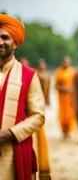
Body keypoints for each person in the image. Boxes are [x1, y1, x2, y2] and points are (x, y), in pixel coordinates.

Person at [0, 14, 46, 179]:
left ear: (15, 42)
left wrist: (9, 133)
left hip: (14, 150)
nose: (0, 42)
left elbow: (38, 116)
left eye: (5, 37)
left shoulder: (28, 75)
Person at [55, 56, 76, 139]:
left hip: (71, 97)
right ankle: (64, 131)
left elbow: (76, 84)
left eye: (68, 62)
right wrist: (64, 89)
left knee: (71, 115)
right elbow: (56, 86)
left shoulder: (73, 71)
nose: (66, 63)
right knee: (62, 115)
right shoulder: (59, 72)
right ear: (62, 62)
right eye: (65, 62)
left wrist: (72, 88)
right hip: (62, 98)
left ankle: (69, 131)